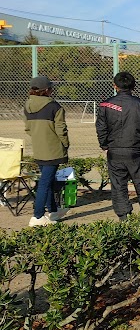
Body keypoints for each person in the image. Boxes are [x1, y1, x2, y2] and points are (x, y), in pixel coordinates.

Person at [96, 72, 140, 221]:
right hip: (137, 150)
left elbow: (101, 127)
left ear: (115, 86)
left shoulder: (105, 104)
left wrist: (104, 145)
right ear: (133, 86)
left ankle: (124, 216)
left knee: (118, 185)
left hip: (115, 150)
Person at [24, 76, 70, 227]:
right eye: (51, 88)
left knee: (48, 180)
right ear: (46, 90)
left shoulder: (27, 106)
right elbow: (61, 130)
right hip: (53, 149)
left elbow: (28, 129)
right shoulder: (54, 106)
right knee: (45, 182)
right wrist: (65, 144)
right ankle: (37, 216)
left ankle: (53, 211)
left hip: (39, 149)